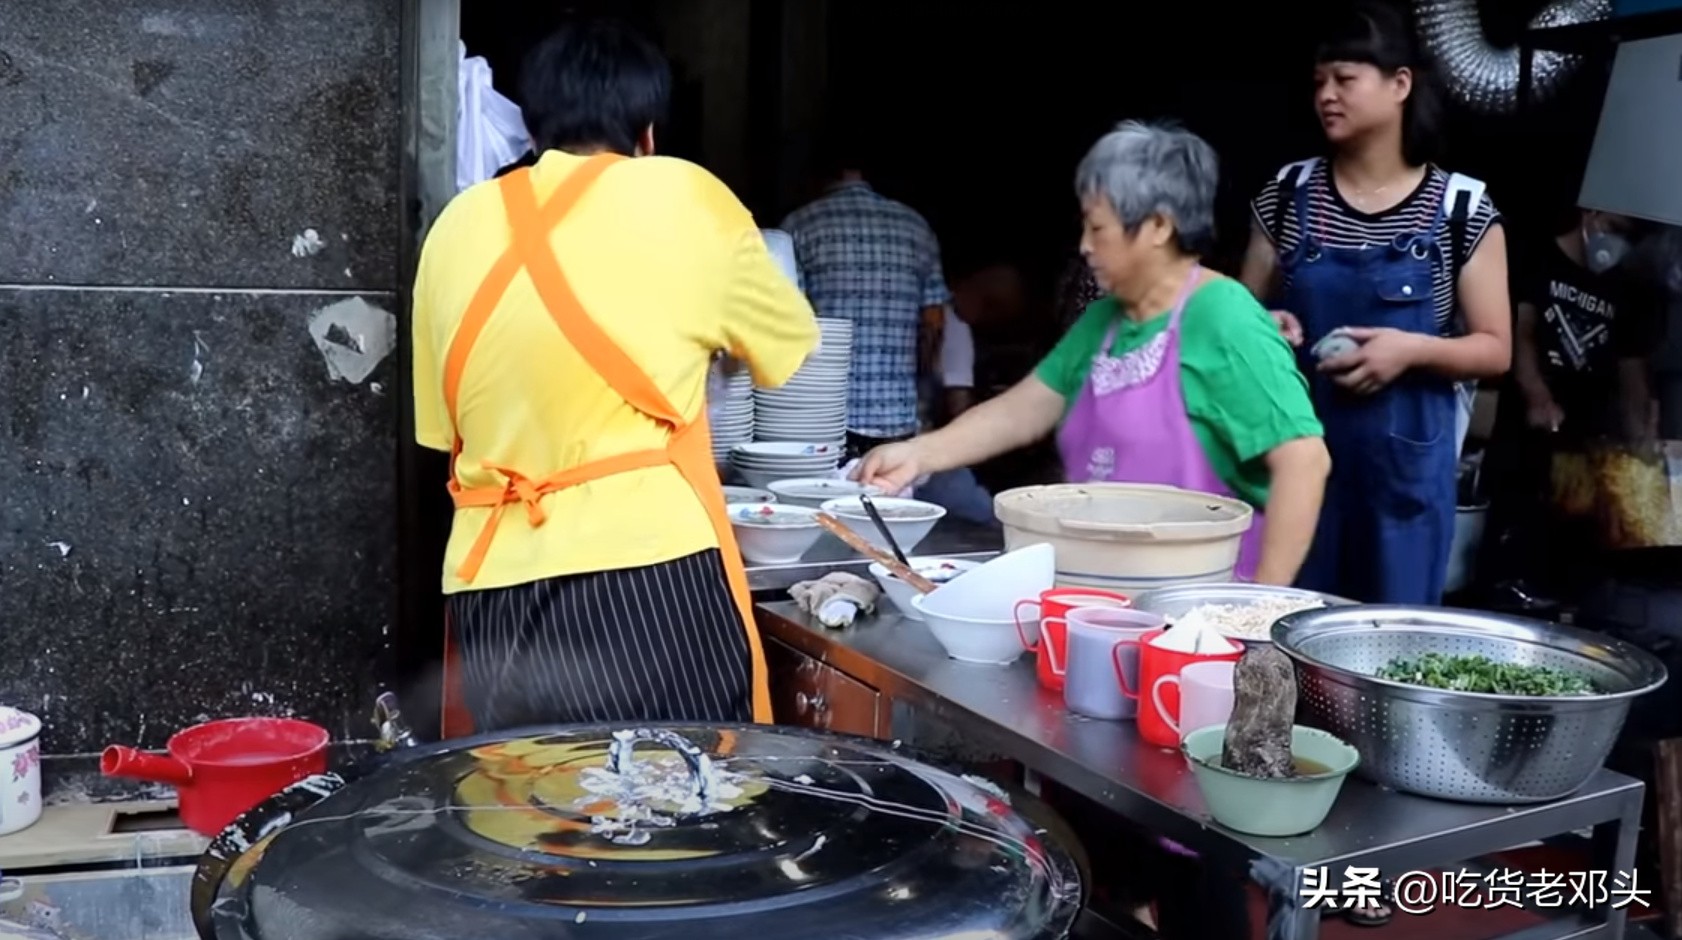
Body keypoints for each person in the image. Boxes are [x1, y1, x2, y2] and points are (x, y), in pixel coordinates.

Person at [410, 20, 818, 735]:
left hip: (491, 582)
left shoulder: (454, 226)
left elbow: (441, 430)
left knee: (536, 811)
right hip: (647, 570)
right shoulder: (685, 195)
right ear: (647, 132)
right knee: (674, 810)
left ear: (531, 127)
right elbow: (787, 352)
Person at [858, 120, 1330, 586]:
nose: (1084, 246)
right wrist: (919, 453)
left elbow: (1304, 461)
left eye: (1097, 227)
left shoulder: (1224, 318)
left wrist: (1257, 607)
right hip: (1102, 586)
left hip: (1198, 608)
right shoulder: (1104, 321)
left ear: (1159, 226)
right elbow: (1022, 411)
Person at [1239, 1, 1511, 612]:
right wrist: (1266, 328)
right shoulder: (1288, 193)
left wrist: (1409, 350)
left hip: (1403, 484)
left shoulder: (1460, 209)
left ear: (1400, 85)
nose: (1327, 96)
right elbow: (1238, 316)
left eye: (1345, 80)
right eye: (1318, 83)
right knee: (1282, 634)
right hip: (1297, 467)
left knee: (1388, 646)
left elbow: (1495, 350)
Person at [1482, 205, 1660, 600]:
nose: (1621, 244)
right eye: (1616, 229)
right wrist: (1537, 394)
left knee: (1568, 559)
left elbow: (1632, 374)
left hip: (1586, 440)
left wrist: (1641, 440)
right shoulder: (1537, 257)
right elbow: (1521, 333)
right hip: (1525, 433)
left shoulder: (1628, 288)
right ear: (1593, 216)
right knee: (1509, 547)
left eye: (1631, 238)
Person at [781, 128, 952, 459]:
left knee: (825, 509)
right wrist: (919, 387)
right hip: (898, 417)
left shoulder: (799, 225)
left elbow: (786, 321)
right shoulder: (915, 226)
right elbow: (934, 321)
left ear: (818, 172)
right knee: (890, 506)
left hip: (823, 420)